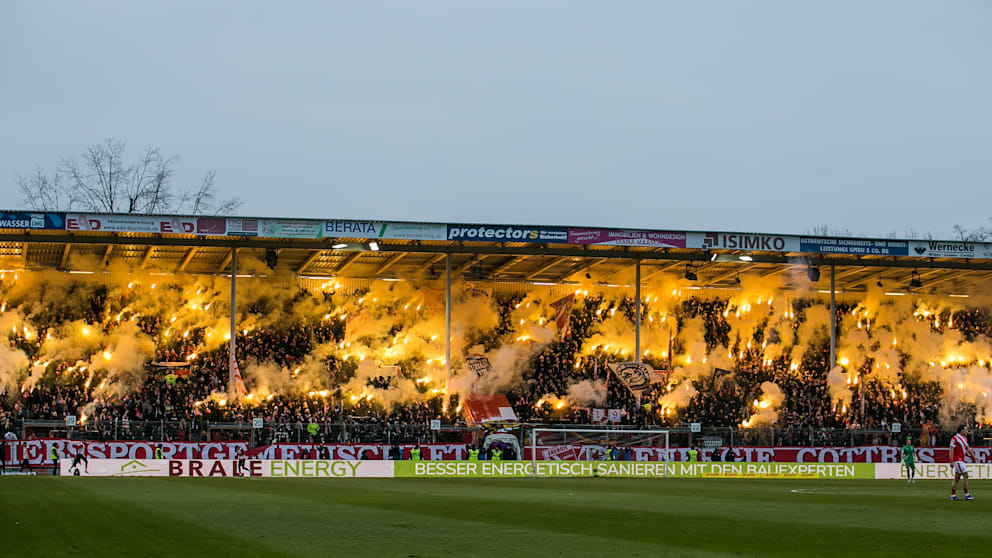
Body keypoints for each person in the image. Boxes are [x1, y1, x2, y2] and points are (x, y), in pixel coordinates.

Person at [950, 424, 976, 501]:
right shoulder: (955, 438)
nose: (966, 431)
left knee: (957, 478)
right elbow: (951, 449)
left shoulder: (964, 438)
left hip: (961, 460)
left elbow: (968, 448)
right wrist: (951, 460)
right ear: (961, 431)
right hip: (957, 460)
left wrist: (973, 456)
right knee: (965, 475)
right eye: (965, 429)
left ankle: (953, 495)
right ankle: (966, 494)